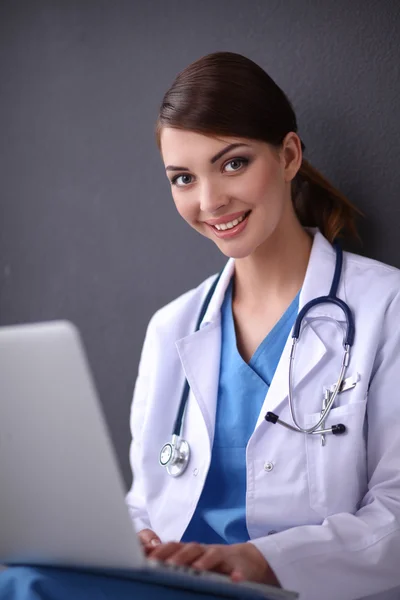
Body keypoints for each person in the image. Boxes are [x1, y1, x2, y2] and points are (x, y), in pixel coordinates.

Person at [125, 51, 400, 600]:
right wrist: (142, 546)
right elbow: (142, 503)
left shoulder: (386, 307)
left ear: (289, 155)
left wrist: (261, 561)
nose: (210, 201)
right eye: (183, 177)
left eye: (232, 164)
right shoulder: (171, 327)